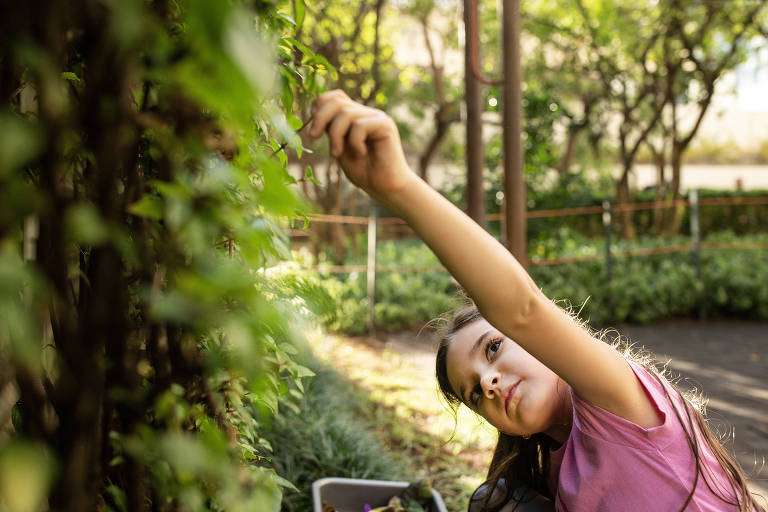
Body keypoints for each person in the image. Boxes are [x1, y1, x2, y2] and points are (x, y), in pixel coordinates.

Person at [308, 90, 766, 512]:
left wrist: (397, 188)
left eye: (493, 348)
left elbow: (520, 308)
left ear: (542, 340)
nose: (487, 383)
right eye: (473, 393)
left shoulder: (619, 399)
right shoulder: (554, 472)